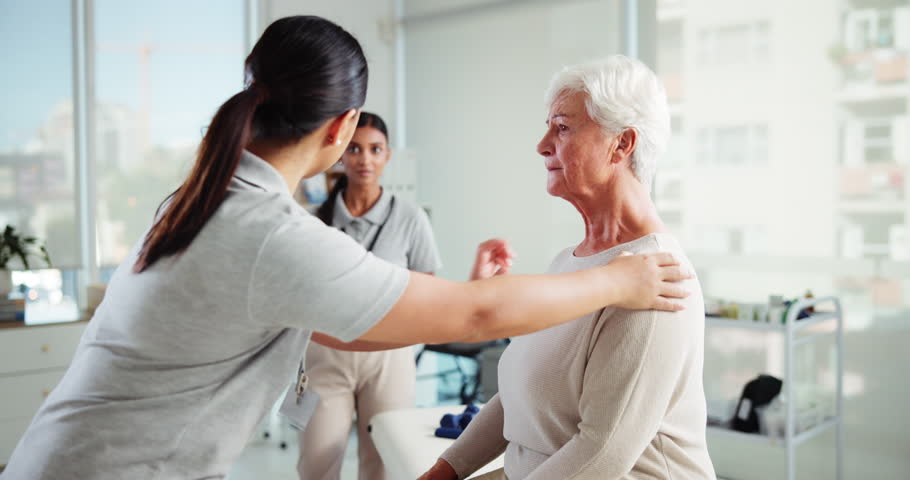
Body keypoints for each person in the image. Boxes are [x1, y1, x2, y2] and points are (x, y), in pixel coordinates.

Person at [1, 18, 692, 480]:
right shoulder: (273, 231)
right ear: (342, 130)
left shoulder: (208, 199)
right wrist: (614, 283)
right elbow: (473, 319)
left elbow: (599, 442)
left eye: (561, 128)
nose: (542, 145)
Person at [419, 56, 716, 480]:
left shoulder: (658, 280)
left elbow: (600, 455)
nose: (542, 145)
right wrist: (443, 471)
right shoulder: (568, 262)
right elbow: (518, 394)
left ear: (622, 144)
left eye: (562, 127)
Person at [298, 111, 448, 480]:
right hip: (327, 354)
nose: (364, 159)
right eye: (354, 148)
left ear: (387, 156)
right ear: (340, 154)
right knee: (316, 463)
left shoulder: (410, 218)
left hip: (389, 356)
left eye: (374, 149)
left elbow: (426, 291)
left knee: (381, 462)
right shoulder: (315, 219)